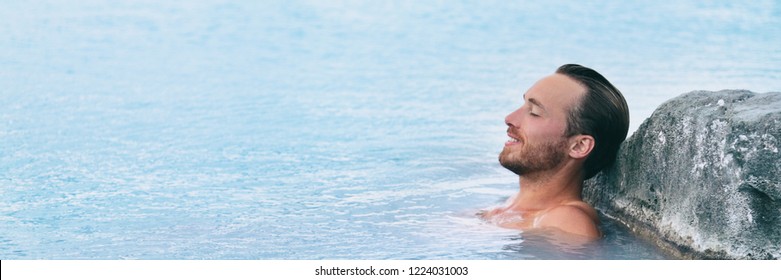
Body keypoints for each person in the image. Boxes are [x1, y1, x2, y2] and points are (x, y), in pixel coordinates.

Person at [480, 64, 629, 240]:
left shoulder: (566, 222)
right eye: (523, 104)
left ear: (579, 146)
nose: (509, 118)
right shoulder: (513, 205)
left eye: (534, 112)